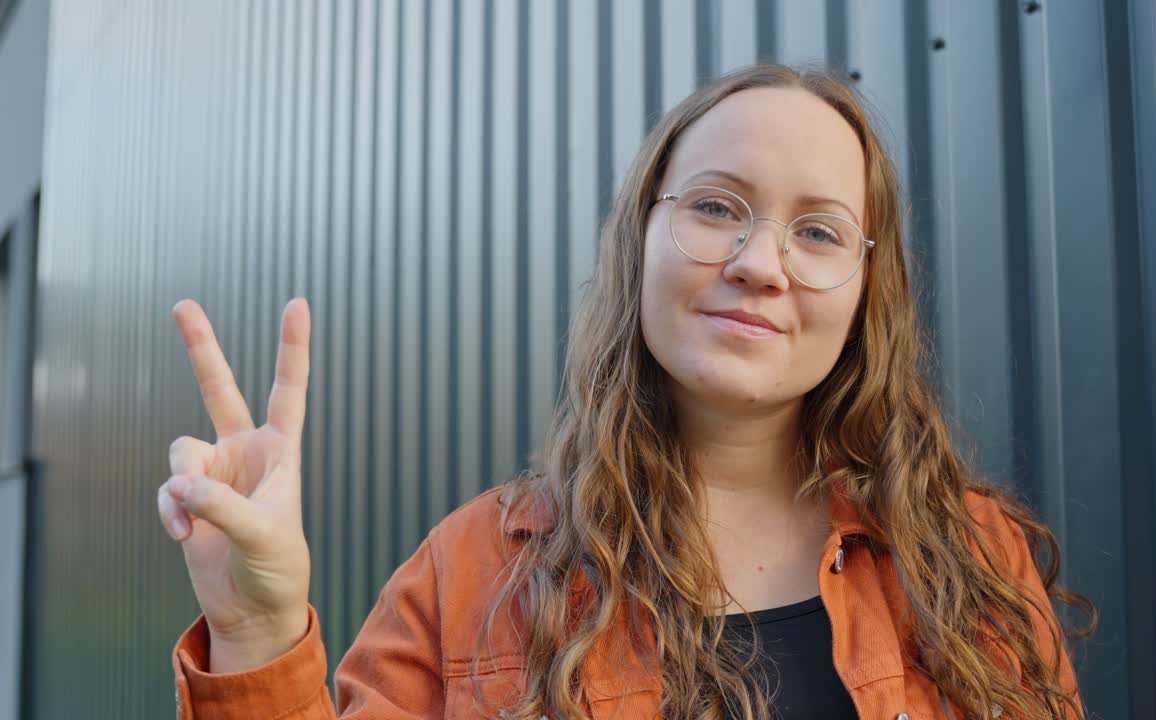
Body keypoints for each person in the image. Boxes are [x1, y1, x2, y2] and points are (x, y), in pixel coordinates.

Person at [159, 63, 1094, 720]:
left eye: (818, 232)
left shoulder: (968, 557)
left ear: (864, 289)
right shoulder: (473, 570)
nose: (759, 262)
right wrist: (257, 631)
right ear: (640, 241)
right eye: (717, 206)